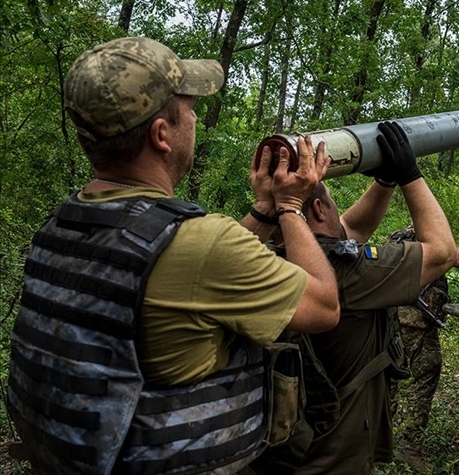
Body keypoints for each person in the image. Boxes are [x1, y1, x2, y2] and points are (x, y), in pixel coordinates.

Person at [6, 36, 340, 475]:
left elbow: (178, 265)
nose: (196, 117)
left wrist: (262, 210)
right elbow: (324, 306)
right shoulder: (204, 244)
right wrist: (290, 208)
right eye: (189, 109)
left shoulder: (63, 223)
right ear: (162, 135)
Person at [251, 121, 457, 474]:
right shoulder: (348, 273)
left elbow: (351, 229)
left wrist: (384, 181)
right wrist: (410, 174)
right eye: (331, 202)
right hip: (334, 457)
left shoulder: (268, 257)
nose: (338, 212)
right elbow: (441, 252)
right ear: (317, 212)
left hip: (283, 451)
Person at [387, 216, 459, 450]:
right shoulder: (425, 240)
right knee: (425, 373)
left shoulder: (398, 238)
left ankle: (379, 438)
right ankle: (409, 444)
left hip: (393, 321)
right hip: (415, 323)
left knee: (389, 377)